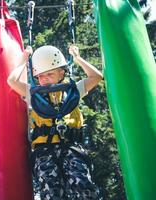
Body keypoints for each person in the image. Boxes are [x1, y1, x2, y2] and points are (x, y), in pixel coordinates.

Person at [7, 44, 103, 200]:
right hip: (44, 152)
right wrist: (24, 59)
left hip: (72, 149)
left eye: (49, 74)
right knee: (51, 193)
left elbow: (96, 76)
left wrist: (78, 58)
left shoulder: (73, 91)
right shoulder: (34, 95)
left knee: (84, 188)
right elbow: (12, 81)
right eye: (40, 76)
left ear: (61, 73)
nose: (44, 80)